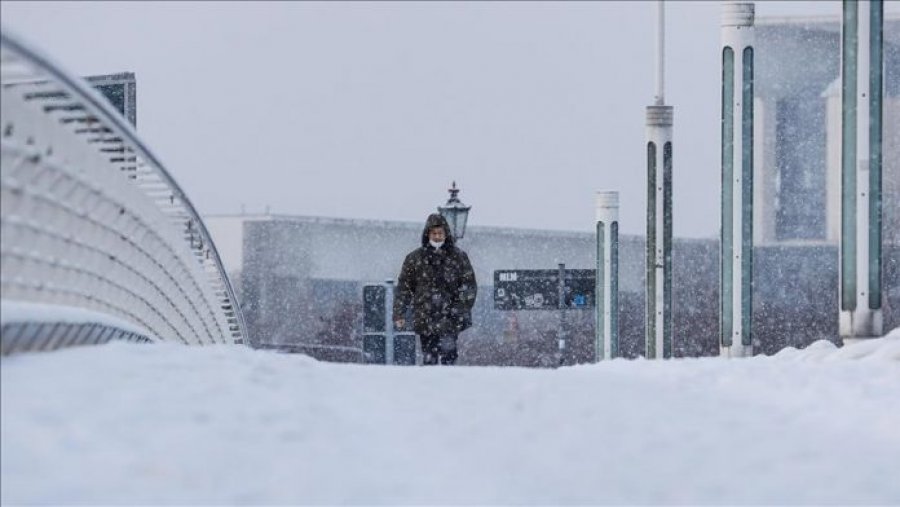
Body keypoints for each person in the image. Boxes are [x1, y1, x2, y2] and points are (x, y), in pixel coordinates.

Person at [393, 213, 477, 365]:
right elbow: (404, 287)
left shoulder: (458, 257)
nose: (437, 236)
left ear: (446, 234)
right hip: (425, 316)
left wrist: (459, 309)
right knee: (429, 357)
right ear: (427, 234)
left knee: (449, 355)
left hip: (450, 317)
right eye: (434, 233)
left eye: (440, 233)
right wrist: (399, 312)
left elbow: (469, 286)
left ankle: (448, 385)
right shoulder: (414, 259)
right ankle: (431, 386)